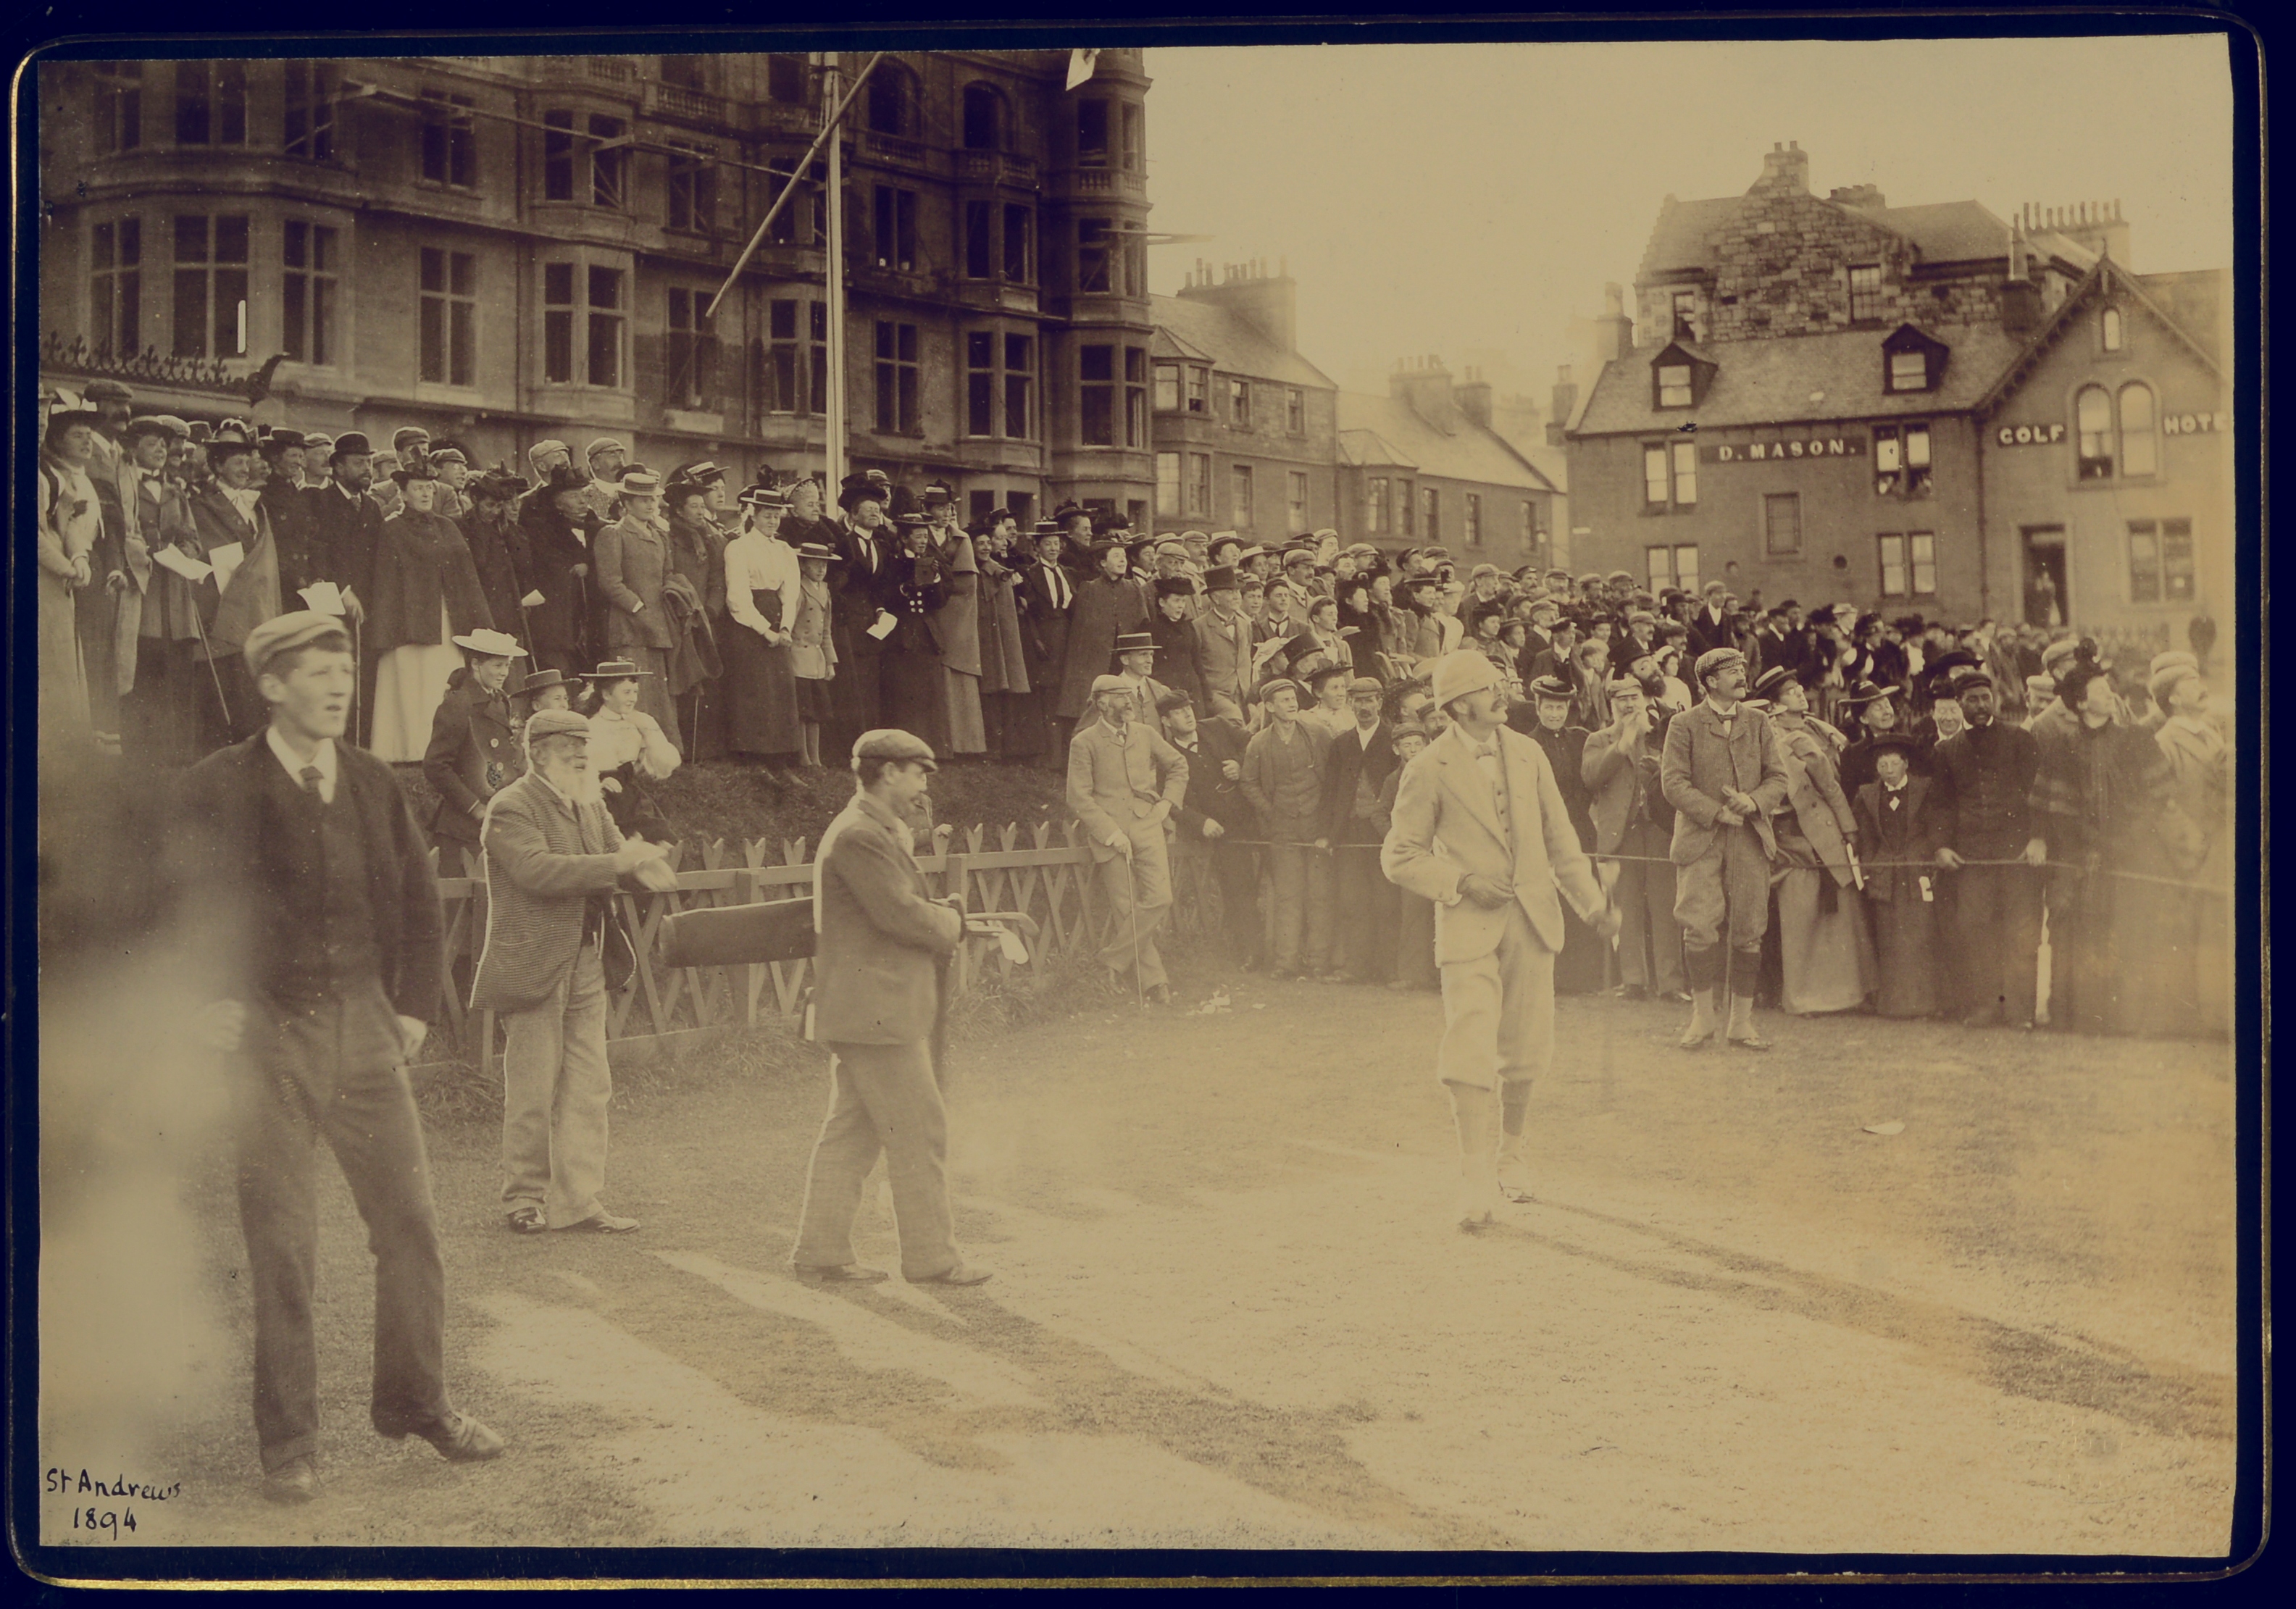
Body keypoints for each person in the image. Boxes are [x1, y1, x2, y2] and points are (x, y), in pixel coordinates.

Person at [168, 611, 502, 1505]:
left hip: (365, 1038)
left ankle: (419, 1403)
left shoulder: (369, 780)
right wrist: (200, 998)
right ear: (271, 685)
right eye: (317, 673)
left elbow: (419, 900)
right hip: (268, 1048)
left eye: (344, 672)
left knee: (410, 1225)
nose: (337, 686)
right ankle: (290, 1444)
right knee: (283, 1245)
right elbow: (168, 903)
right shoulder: (215, 786)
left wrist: (414, 1008)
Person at [1382, 649, 1619, 1227]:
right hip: (1467, 926)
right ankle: (1473, 1176)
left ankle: (1510, 1154)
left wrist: (1591, 903)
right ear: (1459, 704)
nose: (1502, 694)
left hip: (1533, 923)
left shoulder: (1528, 752)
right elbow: (1399, 855)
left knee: (1525, 1046)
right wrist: (1461, 881)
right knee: (1468, 1045)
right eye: (1490, 687)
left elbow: (1561, 841)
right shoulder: (1427, 767)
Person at [790, 730, 991, 1287]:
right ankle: (932, 1259)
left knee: (852, 1134)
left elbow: (895, 906)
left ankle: (821, 1252)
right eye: (917, 773)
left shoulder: (870, 829)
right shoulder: (859, 834)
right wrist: (952, 921)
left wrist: (939, 914)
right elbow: (900, 914)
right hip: (876, 1013)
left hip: (867, 1010)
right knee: (920, 1131)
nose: (923, 785)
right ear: (887, 773)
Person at [472, 706, 671, 1237]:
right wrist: (618, 864)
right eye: (569, 746)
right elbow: (536, 871)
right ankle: (524, 1198)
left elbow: (616, 852)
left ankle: (578, 1202)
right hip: (534, 962)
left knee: (590, 1084)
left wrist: (643, 864)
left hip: (587, 958)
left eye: (585, 746)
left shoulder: (589, 803)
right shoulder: (511, 806)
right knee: (533, 1088)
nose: (582, 755)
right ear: (538, 753)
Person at [2028, 661, 2174, 1036]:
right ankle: (2073, 1016)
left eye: (2109, 689)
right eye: (2100, 691)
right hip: (2075, 855)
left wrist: (2128, 838)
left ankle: (2125, 1019)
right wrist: (2047, 839)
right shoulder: (2061, 746)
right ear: (2080, 703)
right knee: (2071, 929)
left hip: (2129, 852)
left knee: (2126, 928)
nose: (2110, 695)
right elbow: (2044, 803)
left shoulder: (2136, 739)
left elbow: (2159, 796)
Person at [1661, 647, 1790, 1050]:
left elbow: (1778, 777)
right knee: (1699, 926)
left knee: (1749, 930)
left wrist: (1753, 802)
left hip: (1750, 839)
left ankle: (1740, 1023)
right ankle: (1702, 1019)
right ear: (1710, 681)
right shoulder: (1683, 724)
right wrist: (1716, 812)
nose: (1741, 676)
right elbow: (1673, 783)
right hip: (1701, 841)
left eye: (1742, 668)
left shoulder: (1758, 722)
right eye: (1732, 670)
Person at [1755, 666, 1874, 1016]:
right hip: (1788, 835)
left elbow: (1831, 787)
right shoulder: (1767, 738)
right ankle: (1806, 996)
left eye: (1798, 689)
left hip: (1823, 830)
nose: (1800, 694)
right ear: (1775, 705)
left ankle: (1849, 993)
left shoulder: (1818, 730)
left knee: (1841, 911)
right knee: (1801, 914)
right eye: (1790, 692)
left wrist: (1848, 828)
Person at [1928, 671, 2045, 1029]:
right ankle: (1984, 1007)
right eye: (1972, 700)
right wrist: (1941, 846)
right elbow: (1941, 805)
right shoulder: (1947, 751)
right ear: (1959, 704)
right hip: (1972, 858)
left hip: (2017, 855)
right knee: (1975, 930)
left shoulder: (2019, 739)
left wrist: (2038, 837)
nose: (1981, 706)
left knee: (2020, 931)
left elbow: (2038, 793)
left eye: (1985, 698)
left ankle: (2020, 1011)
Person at [1068, 674, 1190, 1003]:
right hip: (1110, 832)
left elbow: (1178, 765)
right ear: (1102, 702)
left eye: (1131, 695)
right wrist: (1110, 834)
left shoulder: (1145, 733)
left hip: (1147, 824)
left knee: (1161, 897)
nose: (1130, 702)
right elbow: (1078, 797)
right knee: (1126, 907)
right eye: (1122, 696)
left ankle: (1112, 959)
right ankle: (1155, 983)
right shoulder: (1084, 742)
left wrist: (1167, 803)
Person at [362, 462, 493, 763]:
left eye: (429, 488)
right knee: (413, 683)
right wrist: (389, 627)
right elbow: (385, 583)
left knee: (442, 681)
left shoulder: (447, 527)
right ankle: (412, 748)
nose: (425, 494)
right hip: (409, 623)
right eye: (418, 488)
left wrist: (479, 622)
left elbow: (467, 575)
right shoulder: (393, 529)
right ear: (403, 494)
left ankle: (446, 748)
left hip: (448, 619)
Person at [1582, 676, 1685, 1002]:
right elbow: (1591, 778)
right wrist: (1622, 745)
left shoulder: (1660, 735)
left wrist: (1660, 769)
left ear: (1645, 701)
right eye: (1621, 700)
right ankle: (1633, 981)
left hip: (1658, 829)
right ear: (1611, 705)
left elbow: (1681, 775)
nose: (1628, 705)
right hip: (1622, 833)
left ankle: (1670, 984)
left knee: (1665, 907)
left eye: (1634, 698)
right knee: (1626, 907)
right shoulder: (1598, 739)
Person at [187, 423, 289, 745]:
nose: (245, 469)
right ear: (218, 467)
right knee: (228, 689)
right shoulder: (202, 506)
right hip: (223, 611)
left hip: (255, 609)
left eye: (247, 462)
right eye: (237, 463)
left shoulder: (256, 505)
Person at [2146, 665, 2231, 1037]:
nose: (2201, 688)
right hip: (2188, 857)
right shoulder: (2164, 741)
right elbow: (2163, 804)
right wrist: (2194, 847)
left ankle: (2219, 1016)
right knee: (2193, 939)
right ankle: (2198, 1020)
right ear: (2174, 698)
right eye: (2190, 684)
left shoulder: (2212, 733)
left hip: (2219, 853)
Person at [1513, 674, 1605, 995]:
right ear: (1538, 708)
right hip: (1540, 831)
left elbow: (1591, 780)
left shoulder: (1581, 740)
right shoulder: (1525, 745)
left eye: (1560, 708)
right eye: (1549, 708)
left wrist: (1576, 810)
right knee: (1547, 901)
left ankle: (1584, 978)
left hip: (1579, 828)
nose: (1555, 714)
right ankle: (1550, 978)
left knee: (1582, 894)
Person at [1242, 678, 1336, 981]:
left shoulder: (1318, 734)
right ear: (1269, 707)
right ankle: (1286, 963)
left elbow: (1334, 777)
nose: (1292, 704)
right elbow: (1248, 783)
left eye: (1293, 698)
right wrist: (1271, 811)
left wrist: (1327, 822)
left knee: (1320, 894)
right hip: (1282, 830)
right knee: (1288, 895)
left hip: (1316, 825)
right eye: (1284, 700)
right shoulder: (1259, 743)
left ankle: (1319, 961)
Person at [1159, 690, 1261, 970]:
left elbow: (1254, 744)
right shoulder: (1165, 755)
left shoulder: (1217, 726)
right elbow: (1171, 802)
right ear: (1166, 721)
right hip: (1221, 829)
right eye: (1179, 712)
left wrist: (1240, 764)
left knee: (1284, 878)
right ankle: (1252, 953)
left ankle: (1295, 951)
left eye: (1189, 708)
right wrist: (1200, 822)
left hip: (1255, 816)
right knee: (1238, 888)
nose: (1188, 715)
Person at [1851, 731, 1944, 1019]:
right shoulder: (1867, 795)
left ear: (1906, 764)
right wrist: (1869, 869)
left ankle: (1924, 1005)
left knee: (1920, 938)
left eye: (1894, 763)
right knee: (1889, 939)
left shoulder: (1925, 789)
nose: (1889, 770)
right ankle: (1893, 1006)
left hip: (1917, 871)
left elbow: (1935, 828)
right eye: (1883, 765)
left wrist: (1927, 858)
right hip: (1885, 876)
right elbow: (1866, 838)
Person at [721, 481, 805, 785]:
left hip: (777, 618)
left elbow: (791, 592)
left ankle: (779, 761)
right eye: (767, 515)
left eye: (776, 516)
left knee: (780, 690)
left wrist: (785, 627)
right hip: (748, 625)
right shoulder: (738, 547)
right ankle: (754, 759)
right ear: (753, 515)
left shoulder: (784, 549)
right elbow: (737, 597)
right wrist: (765, 631)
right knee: (754, 689)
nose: (772, 521)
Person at [593, 467, 682, 746]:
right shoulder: (613, 534)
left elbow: (667, 573)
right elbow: (610, 582)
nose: (651, 505)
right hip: (628, 626)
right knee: (630, 691)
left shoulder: (660, 536)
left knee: (656, 691)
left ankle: (660, 753)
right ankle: (631, 753)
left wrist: (676, 593)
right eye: (643, 500)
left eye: (653, 499)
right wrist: (638, 608)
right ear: (626, 503)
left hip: (659, 624)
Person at [421, 627, 527, 864]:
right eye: (497, 666)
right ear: (476, 664)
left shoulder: (500, 700)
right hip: (462, 828)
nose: (504, 673)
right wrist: (474, 807)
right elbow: (435, 766)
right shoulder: (459, 705)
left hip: (496, 819)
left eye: (507, 665)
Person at [36, 408, 107, 756]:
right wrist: (66, 566)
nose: (37, 426)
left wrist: (79, 558)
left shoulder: (52, 472)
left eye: (41, 420)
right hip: (38, 572)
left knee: (61, 662)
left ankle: (60, 750)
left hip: (57, 576)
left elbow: (68, 520)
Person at [1323, 676, 1401, 985]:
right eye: (1358, 701)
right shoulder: (1341, 744)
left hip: (1384, 833)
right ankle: (1356, 968)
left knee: (1387, 902)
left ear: (1380, 703)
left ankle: (1389, 969)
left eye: (1370, 700)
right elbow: (1330, 792)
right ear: (1351, 704)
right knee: (1353, 902)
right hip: (1350, 833)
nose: (1364, 707)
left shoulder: (1394, 739)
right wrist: (1327, 833)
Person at [1055, 536, 1148, 748]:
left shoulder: (1133, 589)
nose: (1122, 560)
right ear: (1103, 563)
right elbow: (1077, 628)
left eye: (1124, 556)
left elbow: (1142, 623)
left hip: (1122, 661)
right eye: (1116, 556)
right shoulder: (1089, 589)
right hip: (1094, 661)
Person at [581, 661, 681, 845]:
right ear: (606, 694)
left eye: (635, 692)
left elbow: (664, 767)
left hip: (630, 799)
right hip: (597, 796)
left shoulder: (641, 722)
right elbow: (575, 769)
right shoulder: (588, 726)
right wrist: (598, 784)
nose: (633, 699)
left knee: (660, 841)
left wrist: (647, 730)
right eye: (626, 692)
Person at [974, 512, 1037, 764]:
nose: (1003, 542)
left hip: (1005, 635)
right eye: (997, 538)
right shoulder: (987, 570)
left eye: (1003, 539)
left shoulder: (1006, 568)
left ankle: (1007, 746)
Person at [1015, 520, 1074, 768]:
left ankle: (1065, 755)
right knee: (1047, 694)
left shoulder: (1068, 573)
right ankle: (1049, 756)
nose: (1053, 548)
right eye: (1047, 544)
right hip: (1043, 637)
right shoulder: (1030, 575)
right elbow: (1027, 613)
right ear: (1037, 547)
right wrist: (1036, 639)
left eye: (1056, 543)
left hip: (1066, 636)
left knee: (1064, 693)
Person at [788, 540, 843, 770]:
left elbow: (826, 630)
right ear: (803, 566)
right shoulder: (797, 590)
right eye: (815, 564)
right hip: (798, 656)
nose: (821, 569)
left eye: (825, 565)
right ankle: (804, 758)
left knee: (817, 711)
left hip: (817, 659)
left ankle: (816, 759)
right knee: (803, 711)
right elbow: (789, 623)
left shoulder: (825, 591)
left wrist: (830, 661)